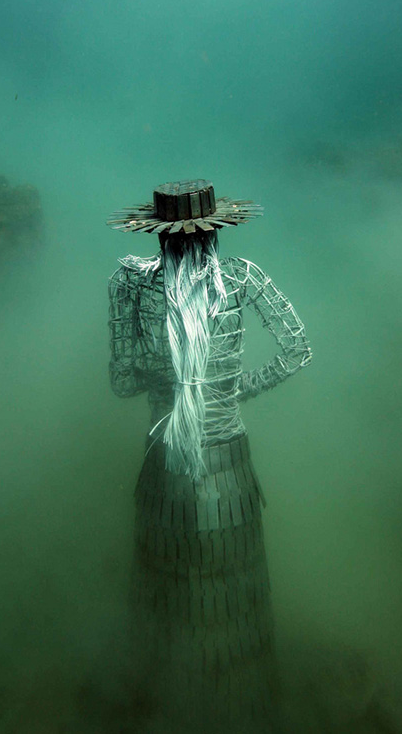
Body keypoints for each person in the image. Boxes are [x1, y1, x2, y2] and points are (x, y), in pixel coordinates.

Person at [107, 179, 311, 733]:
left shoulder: (131, 283)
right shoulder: (242, 279)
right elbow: (297, 349)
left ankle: (163, 706)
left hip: (164, 463)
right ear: (215, 229)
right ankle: (243, 710)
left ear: (158, 234)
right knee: (234, 594)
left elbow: (122, 381)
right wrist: (228, 389)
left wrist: (173, 383)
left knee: (165, 590)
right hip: (229, 470)